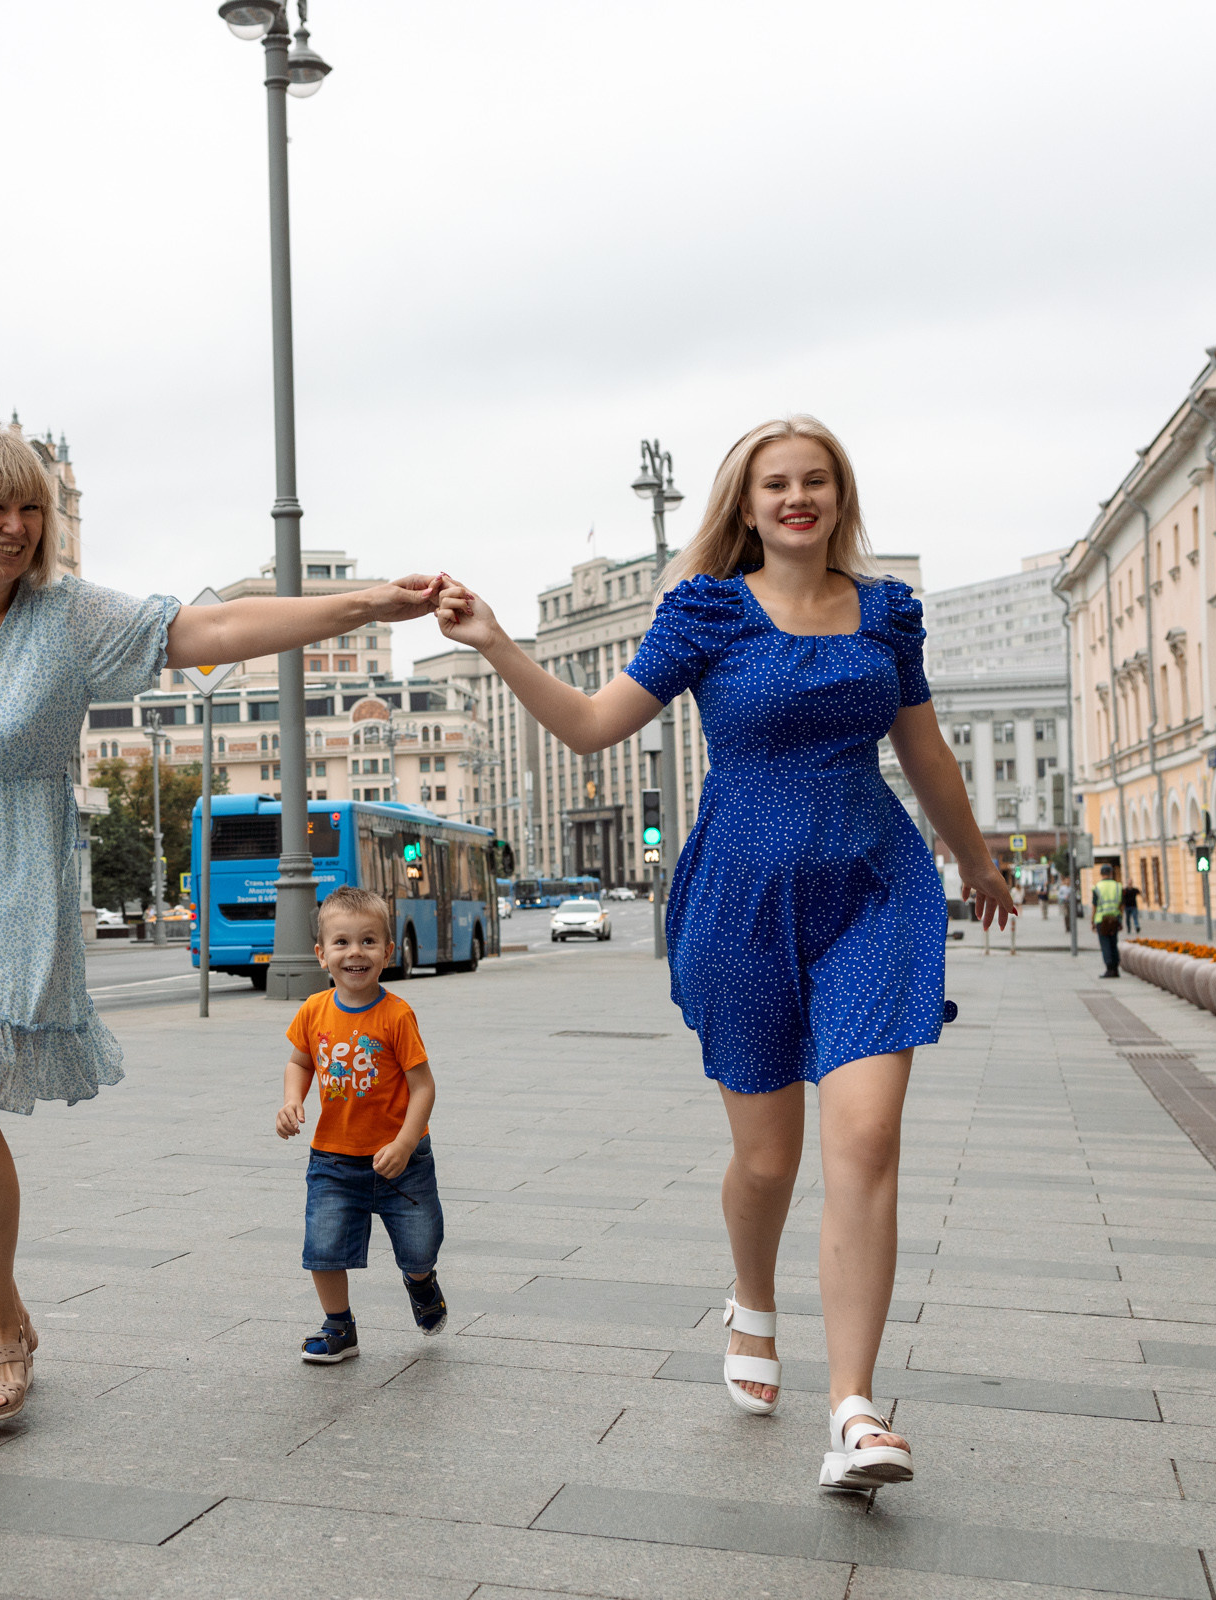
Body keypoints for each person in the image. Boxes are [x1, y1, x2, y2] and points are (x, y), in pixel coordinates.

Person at [0, 424, 446, 1427]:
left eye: (31, 508)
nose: (18, 527)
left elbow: (210, 633)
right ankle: (10, 1312)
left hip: (5, 897)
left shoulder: (68, 618)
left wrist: (371, 601)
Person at [434, 415, 1016, 1493]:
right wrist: (498, 643)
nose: (798, 498)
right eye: (775, 485)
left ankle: (854, 1407)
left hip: (873, 890)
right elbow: (594, 725)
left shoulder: (888, 614)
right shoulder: (705, 610)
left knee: (869, 1136)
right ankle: (753, 1299)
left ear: (840, 495)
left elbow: (923, 749)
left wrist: (976, 865)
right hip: (742, 899)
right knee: (766, 1160)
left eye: (816, 481)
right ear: (744, 507)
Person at [273, 886, 446, 1363]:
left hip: (401, 1161)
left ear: (388, 952)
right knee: (323, 1245)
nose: (355, 952)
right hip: (333, 1156)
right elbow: (299, 1062)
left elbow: (424, 1086)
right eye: (342, 942)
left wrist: (407, 1142)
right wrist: (292, 1100)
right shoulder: (313, 1009)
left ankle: (421, 1281)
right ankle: (339, 1326)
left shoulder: (396, 1015)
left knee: (419, 1245)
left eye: (368, 941)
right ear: (321, 954)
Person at [1093, 864, 1123, 979]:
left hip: (1102, 919)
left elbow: (1094, 906)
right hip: (1115, 918)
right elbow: (1121, 905)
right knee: (1113, 943)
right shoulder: (1118, 886)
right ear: (1111, 873)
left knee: (1105, 944)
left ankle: (1109, 968)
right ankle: (1115, 968)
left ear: (1101, 874)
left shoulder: (1097, 887)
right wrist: (1120, 918)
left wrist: (1092, 921)